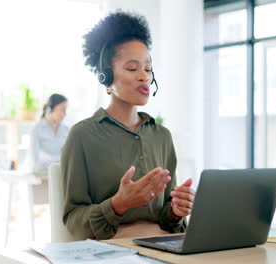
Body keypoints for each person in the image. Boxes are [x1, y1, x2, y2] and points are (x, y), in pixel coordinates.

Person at [61, 11, 195, 240]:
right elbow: (74, 222)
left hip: (163, 247)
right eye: (132, 68)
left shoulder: (161, 136)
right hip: (112, 252)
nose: (144, 77)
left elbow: (166, 218)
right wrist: (118, 204)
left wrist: (175, 211)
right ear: (106, 76)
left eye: (148, 68)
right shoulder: (82, 135)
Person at [30, 94, 69, 174]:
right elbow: (35, 160)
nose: (65, 113)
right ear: (50, 109)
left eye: (66, 110)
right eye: (62, 109)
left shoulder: (66, 130)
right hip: (41, 176)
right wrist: (58, 162)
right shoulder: (37, 130)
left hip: (61, 174)